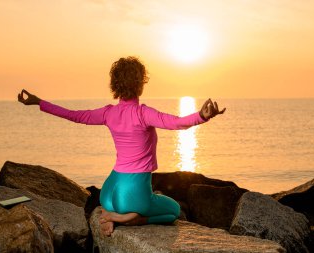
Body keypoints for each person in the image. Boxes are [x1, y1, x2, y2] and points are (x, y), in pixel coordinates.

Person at [17, 56, 226, 236]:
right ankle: (130, 219)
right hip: (133, 195)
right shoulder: (143, 113)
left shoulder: (109, 112)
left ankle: (114, 213)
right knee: (173, 210)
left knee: (151, 199)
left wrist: (39, 102)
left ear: (115, 85)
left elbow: (74, 115)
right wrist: (202, 116)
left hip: (108, 193)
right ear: (140, 83)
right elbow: (176, 122)